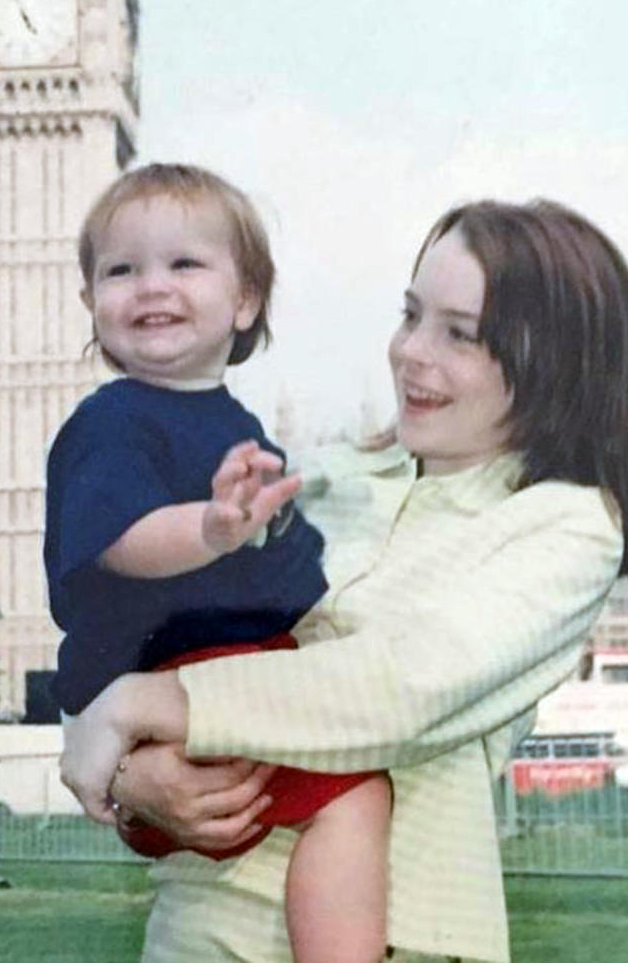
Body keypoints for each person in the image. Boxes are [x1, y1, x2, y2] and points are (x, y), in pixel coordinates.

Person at [61, 196, 628, 963]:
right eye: (411, 315)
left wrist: (144, 706)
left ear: (552, 366)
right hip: (201, 926)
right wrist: (134, 777)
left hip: (392, 936)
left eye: (459, 334)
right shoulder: (321, 479)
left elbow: (402, 687)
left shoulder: (566, 524)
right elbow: (148, 616)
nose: (410, 352)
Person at [45, 163, 392, 963]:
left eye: (183, 264)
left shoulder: (231, 423)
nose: (150, 286)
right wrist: (212, 527)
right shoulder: (115, 422)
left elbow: (291, 567)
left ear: (246, 301)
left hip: (203, 685)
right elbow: (122, 540)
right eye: (120, 270)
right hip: (183, 676)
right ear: (92, 304)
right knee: (355, 797)